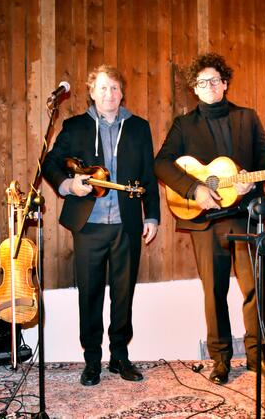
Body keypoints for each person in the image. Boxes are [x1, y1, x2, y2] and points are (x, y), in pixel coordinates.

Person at [154, 53, 265, 384]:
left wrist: (255, 177)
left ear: (225, 84)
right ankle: (221, 359)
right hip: (206, 222)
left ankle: (258, 357)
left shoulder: (247, 117)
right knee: (215, 291)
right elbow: (162, 164)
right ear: (195, 89)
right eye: (201, 82)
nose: (208, 87)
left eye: (215, 80)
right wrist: (194, 189)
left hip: (245, 215)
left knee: (256, 288)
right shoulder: (184, 124)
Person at [41, 65, 160, 386]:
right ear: (92, 92)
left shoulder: (138, 127)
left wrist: (151, 216)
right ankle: (92, 360)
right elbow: (50, 163)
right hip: (89, 226)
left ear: (123, 93)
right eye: (104, 88)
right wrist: (68, 185)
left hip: (127, 225)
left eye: (116, 89)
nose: (110, 95)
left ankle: (119, 357)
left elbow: (148, 174)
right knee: (90, 295)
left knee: (124, 294)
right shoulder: (75, 126)